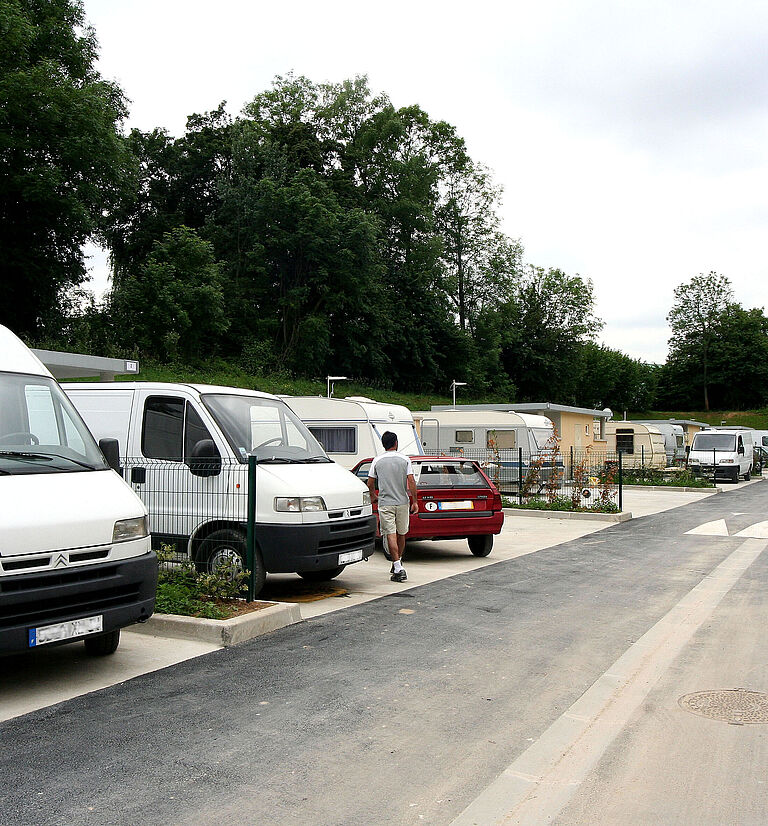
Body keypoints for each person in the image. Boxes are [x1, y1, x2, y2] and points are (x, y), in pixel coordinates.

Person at [366, 431, 418, 582]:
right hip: (402, 502)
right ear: (396, 443)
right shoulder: (405, 459)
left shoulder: (377, 460)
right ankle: (398, 563)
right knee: (401, 533)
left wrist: (373, 496)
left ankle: (397, 566)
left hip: (385, 503)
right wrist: (414, 501)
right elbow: (411, 481)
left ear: (383, 444)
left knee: (390, 533)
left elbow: (370, 482)